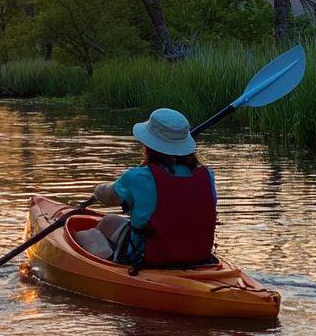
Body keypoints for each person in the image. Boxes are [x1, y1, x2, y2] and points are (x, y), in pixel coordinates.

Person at [75, 108, 217, 269]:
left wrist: (99, 189)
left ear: (148, 144)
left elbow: (110, 198)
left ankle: (109, 263)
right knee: (109, 221)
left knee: (87, 234)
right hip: (198, 256)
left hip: (148, 258)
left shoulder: (137, 177)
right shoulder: (207, 175)